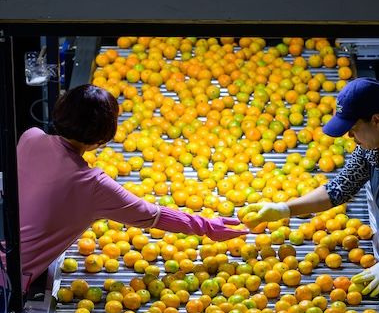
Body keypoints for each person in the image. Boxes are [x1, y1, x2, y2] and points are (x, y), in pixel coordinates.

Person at [15, 84, 247, 292]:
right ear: (102, 139)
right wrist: (207, 226)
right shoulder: (92, 184)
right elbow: (152, 215)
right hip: (7, 280)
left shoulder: (30, 137)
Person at [243, 78, 379, 302]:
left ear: (377, 120)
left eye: (353, 129)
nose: (350, 137)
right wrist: (283, 209)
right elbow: (337, 189)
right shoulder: (372, 150)